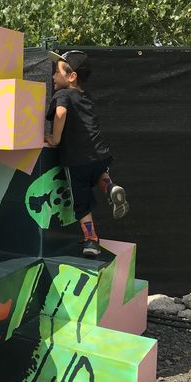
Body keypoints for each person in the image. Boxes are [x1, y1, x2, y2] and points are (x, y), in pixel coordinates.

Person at [45, 50, 129, 257]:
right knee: (99, 172)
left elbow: (61, 113)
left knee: (81, 202)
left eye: (57, 72)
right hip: (100, 154)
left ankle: (91, 240)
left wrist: (55, 139)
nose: (53, 76)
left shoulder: (62, 95)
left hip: (77, 161)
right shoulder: (86, 97)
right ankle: (110, 187)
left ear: (72, 77)